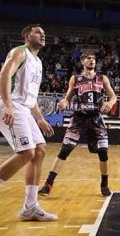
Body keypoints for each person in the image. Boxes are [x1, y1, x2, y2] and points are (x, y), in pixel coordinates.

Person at [39, 52, 118, 197]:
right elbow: (68, 97)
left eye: (94, 58)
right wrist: (64, 102)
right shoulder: (75, 78)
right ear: (82, 61)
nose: (92, 60)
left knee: (103, 152)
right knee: (65, 149)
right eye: (88, 58)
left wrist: (110, 102)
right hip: (79, 118)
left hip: (96, 118)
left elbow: (113, 96)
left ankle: (104, 183)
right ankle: (48, 184)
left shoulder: (102, 78)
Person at [0, 24, 57, 221]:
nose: (42, 35)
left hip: (24, 107)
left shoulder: (38, 62)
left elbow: (31, 97)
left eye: (44, 32)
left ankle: (30, 207)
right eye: (38, 32)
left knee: (39, 150)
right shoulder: (19, 52)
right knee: (26, 152)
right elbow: (4, 75)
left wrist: (40, 118)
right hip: (11, 105)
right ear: (26, 36)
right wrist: (7, 105)